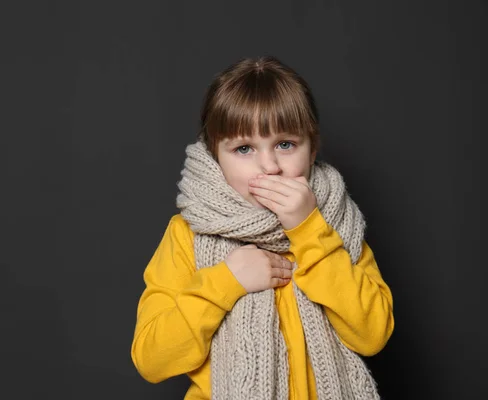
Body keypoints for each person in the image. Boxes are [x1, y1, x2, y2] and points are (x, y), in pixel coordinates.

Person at [130, 56, 394, 400]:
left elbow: (373, 334)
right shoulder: (188, 234)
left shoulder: (335, 223)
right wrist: (226, 281)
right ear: (215, 158)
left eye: (285, 144)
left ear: (312, 149)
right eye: (243, 148)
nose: (269, 166)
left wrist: (309, 230)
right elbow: (152, 359)